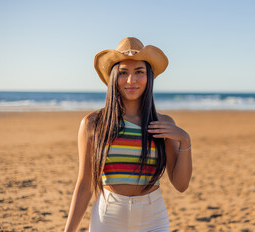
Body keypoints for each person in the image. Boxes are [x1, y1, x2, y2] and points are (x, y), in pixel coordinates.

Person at [63, 37, 192, 232]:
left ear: (148, 76)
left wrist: (185, 140)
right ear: (114, 77)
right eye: (123, 73)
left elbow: (181, 185)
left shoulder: (163, 125)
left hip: (153, 219)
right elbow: (85, 184)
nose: (131, 80)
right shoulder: (93, 123)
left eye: (139, 72)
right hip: (107, 218)